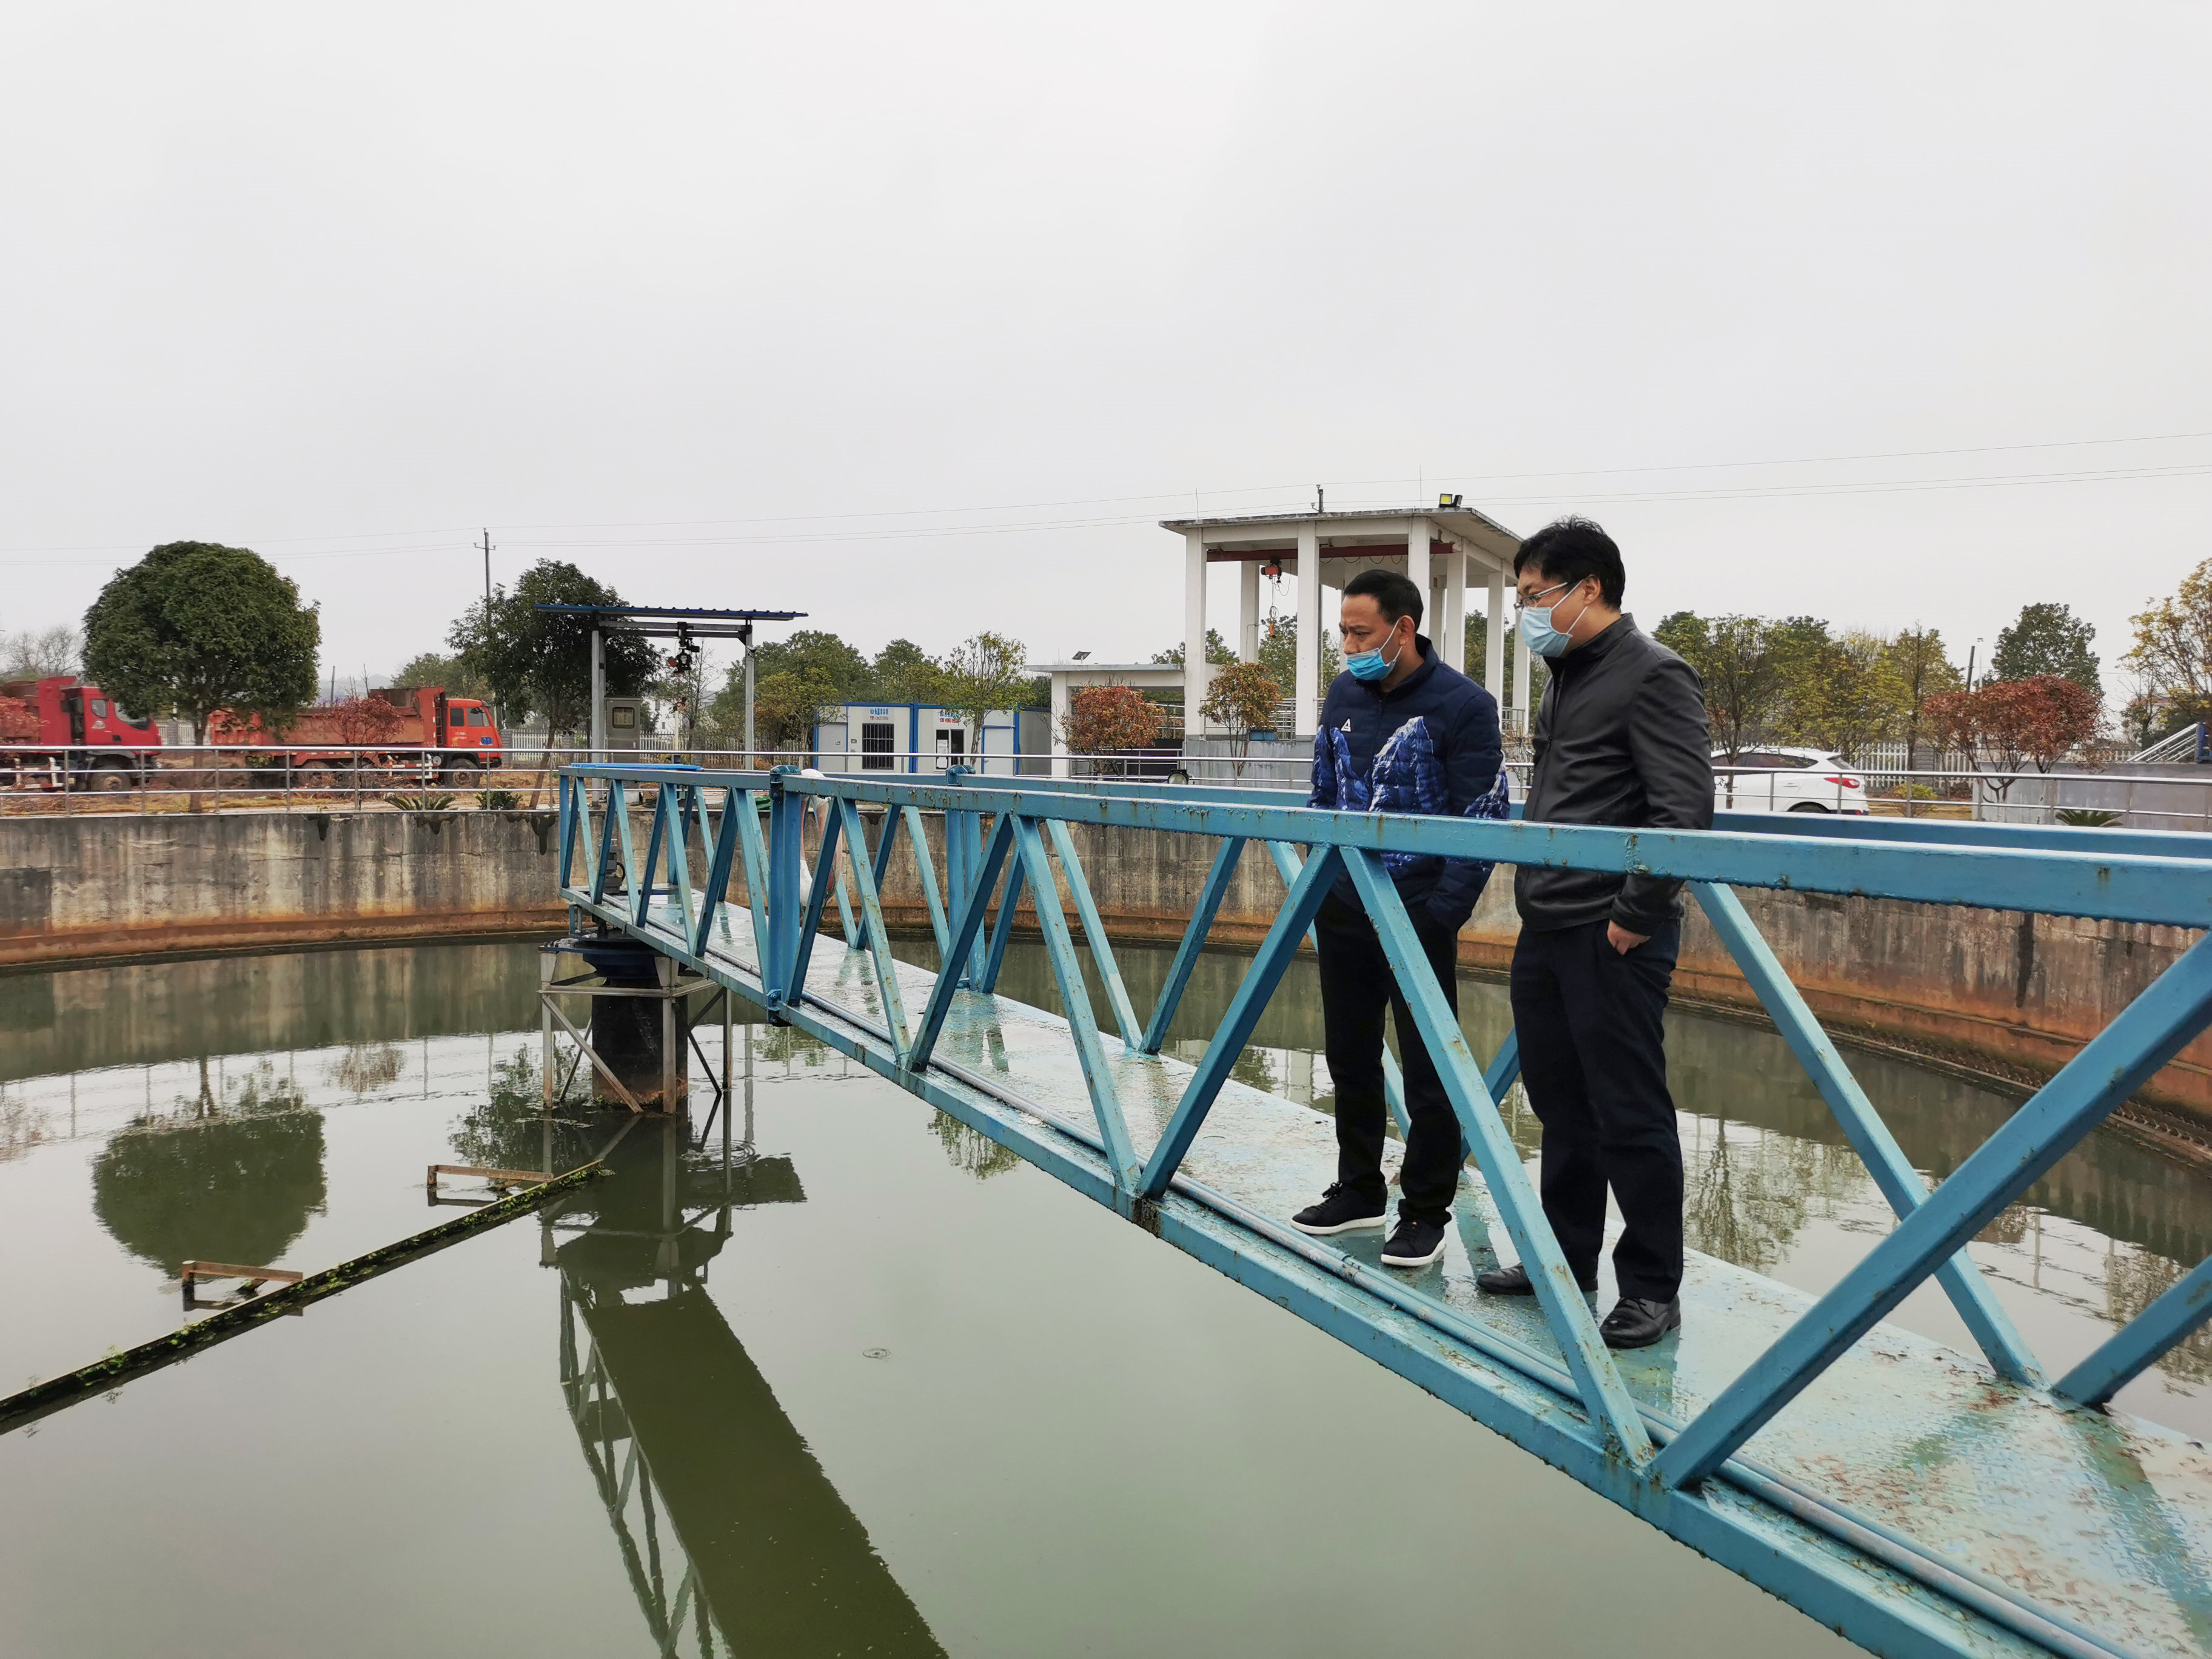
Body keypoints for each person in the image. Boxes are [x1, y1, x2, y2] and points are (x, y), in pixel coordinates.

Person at [1473, 517, 1712, 1349]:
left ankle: (1650, 1287)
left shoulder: (1654, 674)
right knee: (1560, 1105)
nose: (1526, 613)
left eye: (1533, 596)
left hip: (1611, 932)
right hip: (1547, 921)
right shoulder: (1565, 674)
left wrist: (1633, 918)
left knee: (1629, 1110)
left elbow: (1683, 813)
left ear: (1589, 589)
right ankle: (1566, 1261)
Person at [1289, 568, 1507, 1270]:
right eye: (1343, 633)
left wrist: (1440, 917)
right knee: (1349, 1055)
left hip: (1419, 914)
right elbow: (1324, 792)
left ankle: (1424, 1211)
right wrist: (1324, 882)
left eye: (1361, 633)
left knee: (1428, 1068)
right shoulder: (1343, 694)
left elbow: (1482, 820)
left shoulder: (1464, 706)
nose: (1349, 646)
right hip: (1345, 903)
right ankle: (1359, 1189)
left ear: (1403, 629)